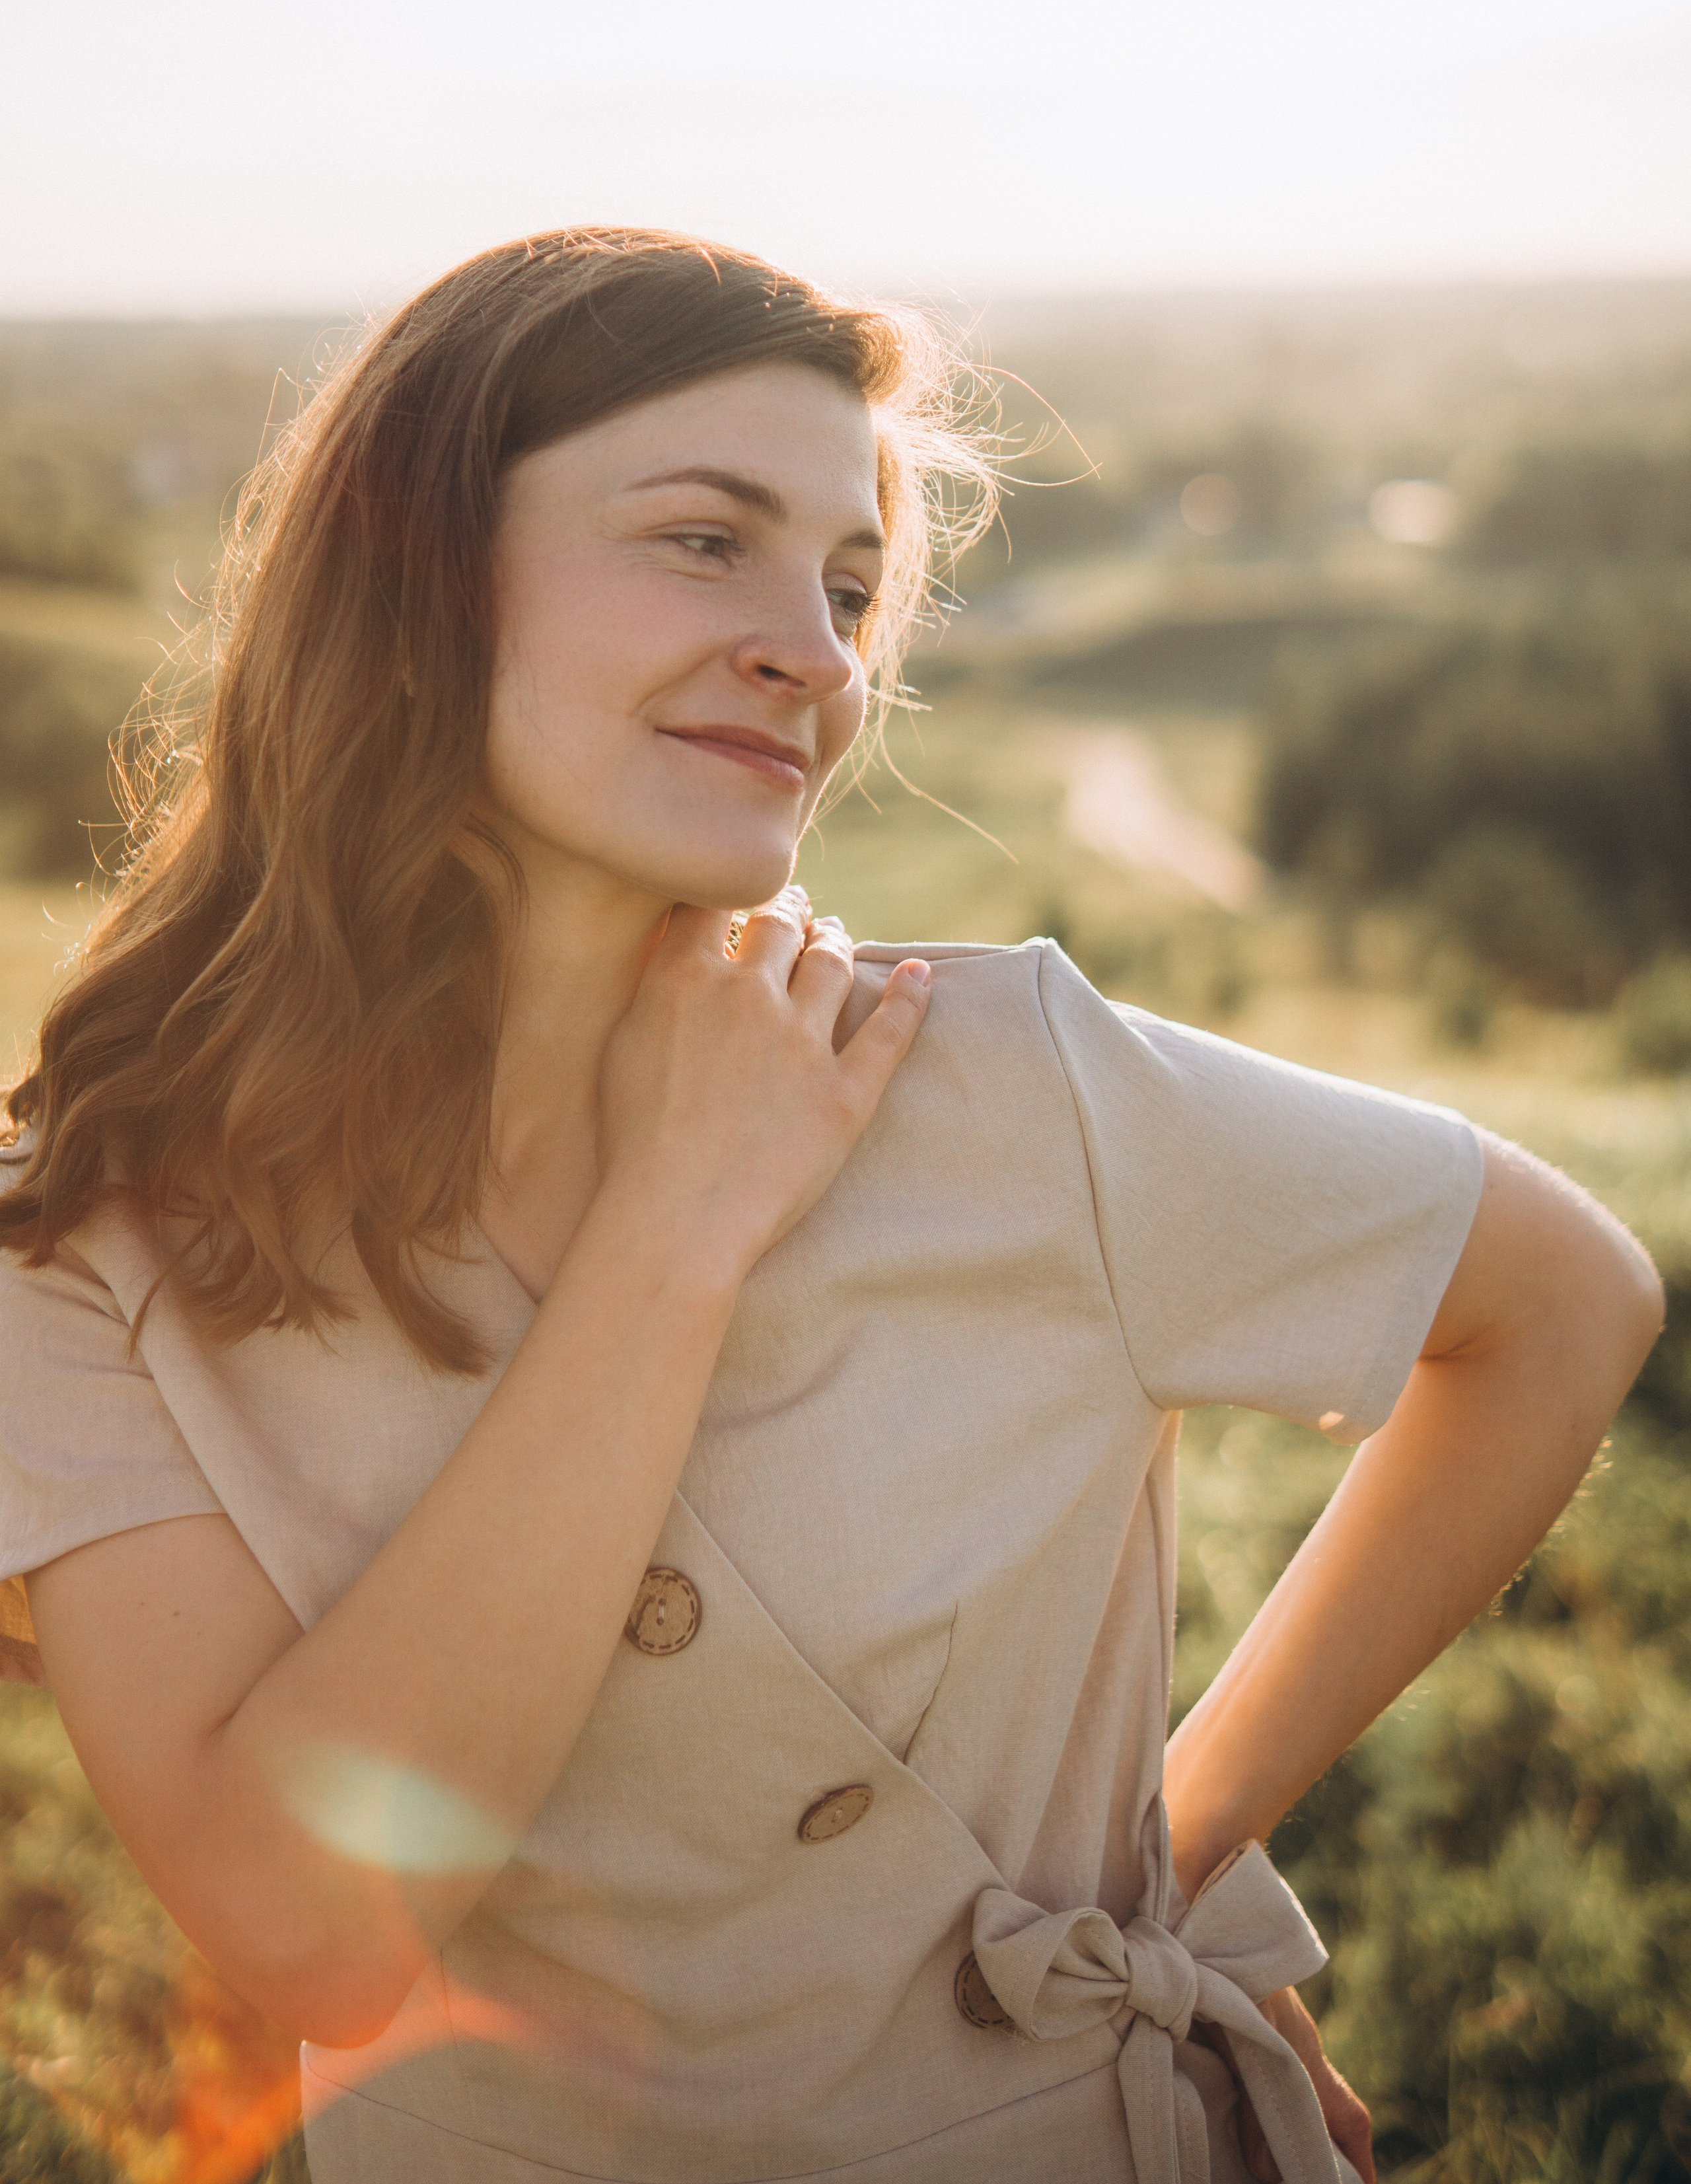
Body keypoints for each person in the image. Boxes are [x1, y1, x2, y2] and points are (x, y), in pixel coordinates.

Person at [0, 230, 1661, 2184]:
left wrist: (1170, 1842)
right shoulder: (77, 1255)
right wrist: (672, 1231)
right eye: (706, 539)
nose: (818, 646)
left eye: (852, 581)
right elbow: (310, 1924)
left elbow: (1567, 1300)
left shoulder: (1003, 1077)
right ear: (414, 577)